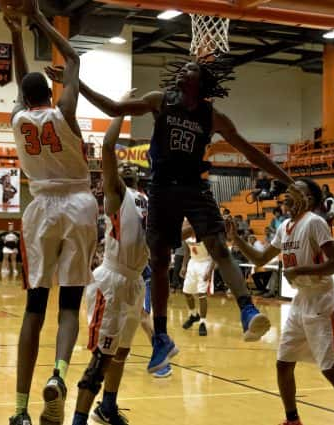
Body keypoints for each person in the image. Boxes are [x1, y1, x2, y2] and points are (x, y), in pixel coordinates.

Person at [45, 52, 293, 373]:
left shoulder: (213, 117)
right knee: (159, 261)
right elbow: (113, 109)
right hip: (162, 187)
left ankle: (247, 309)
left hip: (194, 188)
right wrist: (74, 83)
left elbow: (250, 152)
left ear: (199, 82)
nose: (181, 70)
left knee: (218, 245)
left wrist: (289, 180)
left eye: (189, 68)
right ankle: (160, 336)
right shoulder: (160, 100)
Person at [4, 5, 98, 425]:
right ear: (49, 93)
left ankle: (22, 410)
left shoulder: (17, 118)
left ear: (24, 98)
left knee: (34, 309)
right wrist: (39, 18)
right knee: (70, 303)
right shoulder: (65, 113)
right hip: (79, 204)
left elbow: (20, 80)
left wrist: (14, 33)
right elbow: (74, 59)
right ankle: (58, 375)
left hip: (40, 207)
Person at [228, 178, 334, 425]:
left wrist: (300, 271)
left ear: (308, 198)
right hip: (301, 300)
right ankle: (293, 420)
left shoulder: (315, 222)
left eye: (296, 189)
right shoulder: (285, 226)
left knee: (330, 370)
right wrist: (235, 238)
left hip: (322, 300)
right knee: (283, 364)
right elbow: (260, 259)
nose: (289, 193)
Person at [74, 105, 149, 425]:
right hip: (112, 280)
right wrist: (120, 107)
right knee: (101, 358)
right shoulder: (116, 194)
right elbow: (107, 146)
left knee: (121, 352)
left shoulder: (146, 199)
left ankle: (107, 407)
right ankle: (77, 418)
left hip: (134, 281)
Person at [179, 226, 214, 336]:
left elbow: (214, 254)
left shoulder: (206, 235)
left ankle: (203, 322)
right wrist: (184, 266)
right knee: (186, 292)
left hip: (205, 263)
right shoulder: (186, 235)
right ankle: (194, 315)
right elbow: (186, 251)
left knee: (201, 294)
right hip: (193, 263)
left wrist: (210, 270)